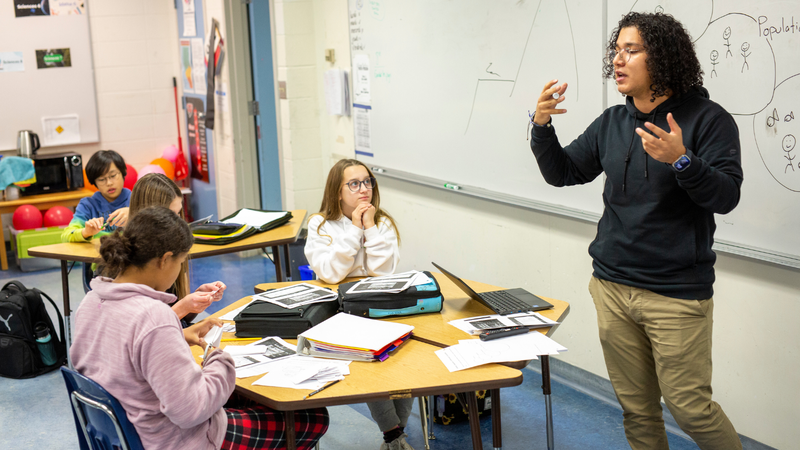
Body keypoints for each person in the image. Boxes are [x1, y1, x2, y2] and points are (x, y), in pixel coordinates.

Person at [529, 12, 742, 450]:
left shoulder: (708, 120)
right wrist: (541, 127)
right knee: (637, 409)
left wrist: (682, 160)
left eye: (631, 50)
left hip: (675, 294)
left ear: (661, 58)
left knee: (691, 410)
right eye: (616, 50)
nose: (617, 60)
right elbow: (563, 172)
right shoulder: (613, 121)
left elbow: (726, 196)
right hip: (612, 286)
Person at [71, 206, 329, 450]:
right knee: (312, 417)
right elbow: (190, 411)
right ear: (165, 260)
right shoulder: (153, 317)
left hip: (125, 435)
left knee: (249, 400)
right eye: (181, 262)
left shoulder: (90, 302)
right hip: (176, 440)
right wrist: (219, 360)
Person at [304, 159, 411, 450]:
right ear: (337, 192)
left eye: (367, 182)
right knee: (371, 361)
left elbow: (383, 271)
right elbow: (331, 273)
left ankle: (395, 435)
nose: (364, 189)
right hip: (341, 313)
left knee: (406, 360)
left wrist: (370, 227)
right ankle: (395, 436)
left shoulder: (383, 222)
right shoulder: (320, 224)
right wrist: (355, 229)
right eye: (354, 184)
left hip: (380, 307)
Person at [124, 173, 225, 326]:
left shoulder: (173, 247)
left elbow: (181, 318)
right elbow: (144, 329)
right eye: (171, 215)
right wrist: (182, 307)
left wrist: (196, 299)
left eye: (178, 214)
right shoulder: (129, 264)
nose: (177, 222)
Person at [62, 150, 130, 242]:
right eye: (101, 179)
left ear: (123, 173)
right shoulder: (88, 205)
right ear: (94, 182)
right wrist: (86, 232)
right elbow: (66, 236)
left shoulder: (137, 199)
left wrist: (133, 212)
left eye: (113, 175)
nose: (109, 183)